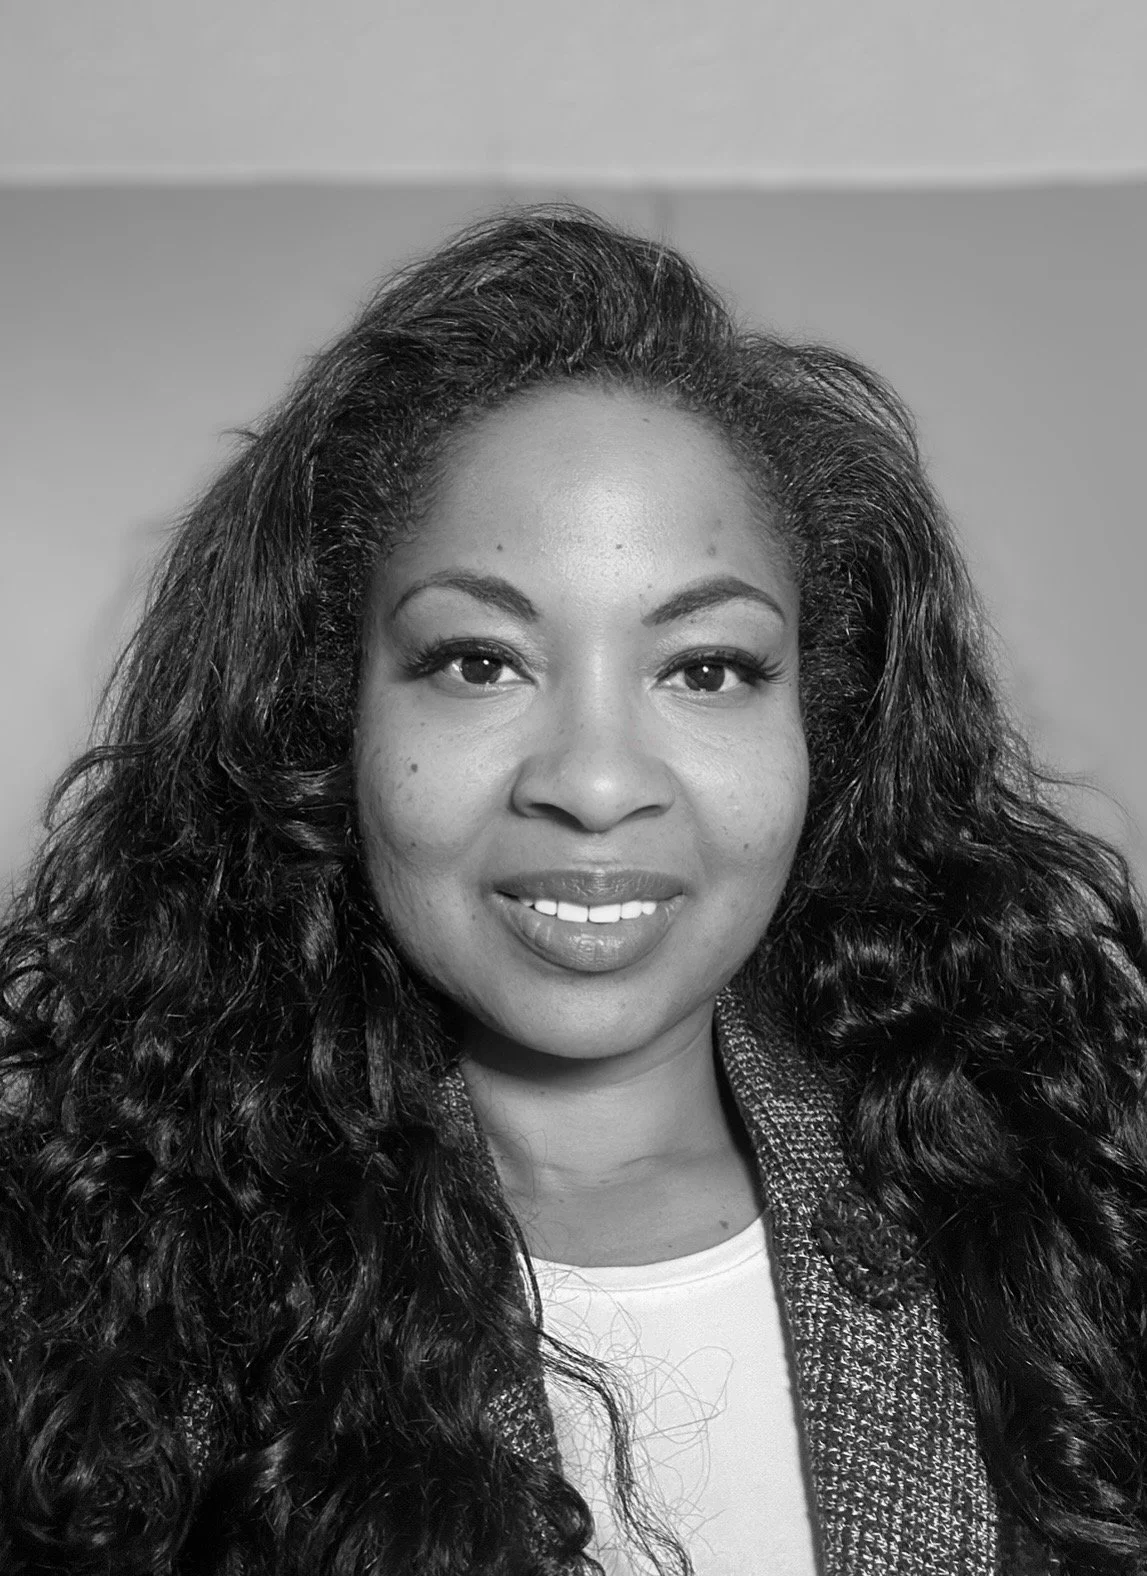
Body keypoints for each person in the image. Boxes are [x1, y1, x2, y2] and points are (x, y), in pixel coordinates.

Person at [1, 207, 1145, 1576]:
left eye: (705, 669)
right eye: (478, 662)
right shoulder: (79, 1297)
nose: (596, 783)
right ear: (328, 719)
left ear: (825, 730)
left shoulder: (1072, 1234)